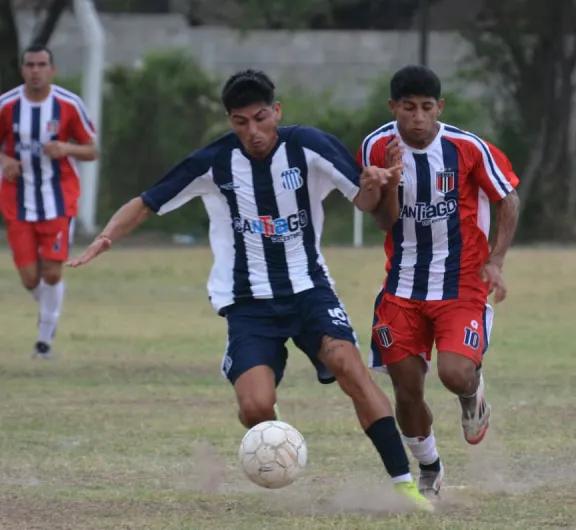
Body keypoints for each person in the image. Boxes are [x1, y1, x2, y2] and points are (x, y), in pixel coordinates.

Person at [68, 69, 432, 511]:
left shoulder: (309, 146)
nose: (254, 132)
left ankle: (405, 486)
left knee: (348, 366)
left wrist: (380, 186)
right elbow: (147, 201)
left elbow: (367, 204)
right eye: (241, 123)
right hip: (248, 303)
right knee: (256, 408)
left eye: (261, 119)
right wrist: (106, 237)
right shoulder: (213, 162)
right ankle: (269, 433)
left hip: (309, 290)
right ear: (230, 122)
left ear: (276, 112)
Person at [360, 65, 520, 498]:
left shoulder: (467, 148)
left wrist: (497, 261)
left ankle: (472, 394)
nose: (417, 117)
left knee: (454, 373)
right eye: (408, 108)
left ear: (439, 108)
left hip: (461, 283)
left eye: (426, 108)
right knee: (406, 390)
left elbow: (508, 199)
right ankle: (429, 465)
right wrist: (389, 181)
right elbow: (381, 221)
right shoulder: (376, 146)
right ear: (393, 107)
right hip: (402, 286)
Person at [0, 45, 98, 358]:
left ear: (52, 70)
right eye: (30, 64)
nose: (35, 70)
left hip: (58, 199)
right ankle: (50, 311)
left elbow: (92, 150)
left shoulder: (68, 104)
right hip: (17, 200)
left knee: (53, 274)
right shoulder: (6, 105)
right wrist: (5, 159)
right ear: (22, 69)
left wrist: (66, 149)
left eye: (42, 64)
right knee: (30, 278)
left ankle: (44, 339)